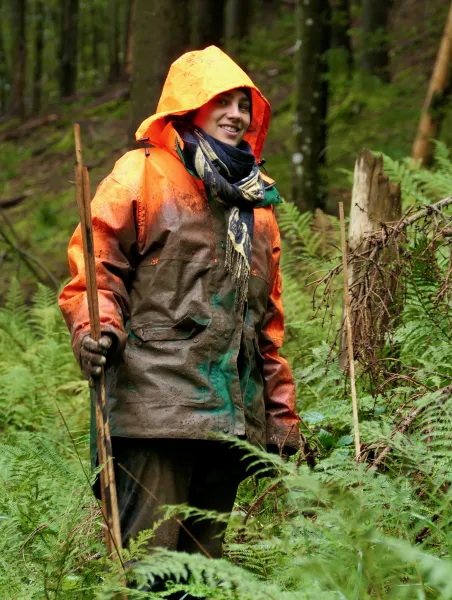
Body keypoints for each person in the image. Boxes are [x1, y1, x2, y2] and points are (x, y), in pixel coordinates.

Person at [58, 45, 300, 566]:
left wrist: (280, 414)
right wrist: (93, 330)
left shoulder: (257, 207)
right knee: (150, 573)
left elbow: (265, 325)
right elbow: (97, 268)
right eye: (223, 101)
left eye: (244, 104)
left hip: (231, 422)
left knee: (201, 577)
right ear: (189, 105)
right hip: (154, 413)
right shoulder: (142, 175)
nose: (237, 114)